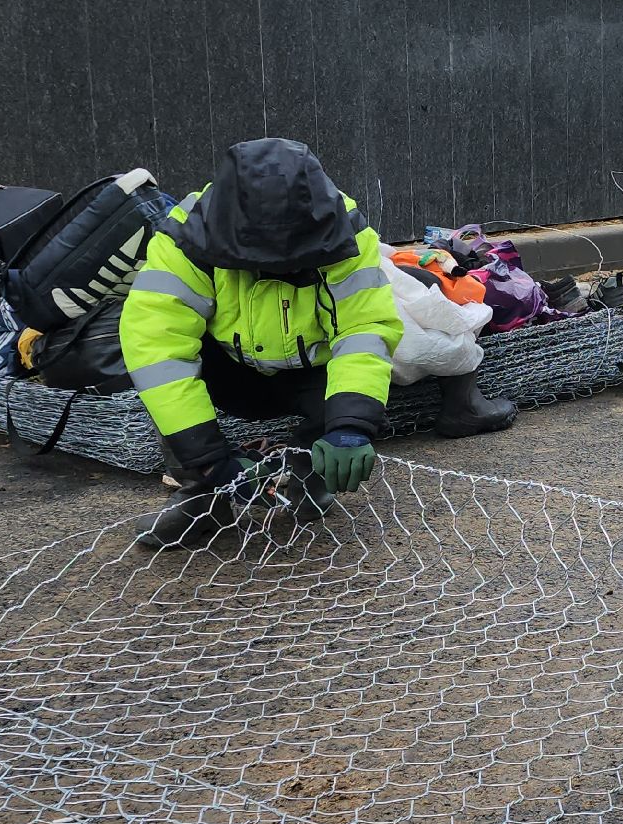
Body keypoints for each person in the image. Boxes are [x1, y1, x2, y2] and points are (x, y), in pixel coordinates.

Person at [121, 138, 515, 548]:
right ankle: (204, 501)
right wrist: (208, 462)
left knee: (352, 394)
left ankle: (310, 477)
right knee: (165, 381)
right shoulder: (186, 236)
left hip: (312, 370)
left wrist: (350, 427)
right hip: (229, 369)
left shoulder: (344, 230)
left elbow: (364, 329)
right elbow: (157, 348)